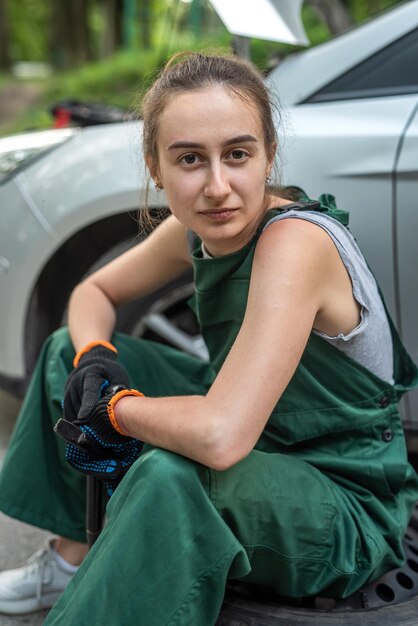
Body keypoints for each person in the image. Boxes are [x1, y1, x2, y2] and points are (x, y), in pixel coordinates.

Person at [0, 51, 417, 625]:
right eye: (191, 159)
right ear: (156, 167)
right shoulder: (196, 227)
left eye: (238, 154)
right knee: (62, 357)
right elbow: (93, 294)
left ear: (269, 155)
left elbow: (221, 437)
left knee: (173, 476)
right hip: (260, 438)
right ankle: (75, 559)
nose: (218, 186)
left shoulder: (294, 243)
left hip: (342, 503)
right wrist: (96, 362)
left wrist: (119, 410)